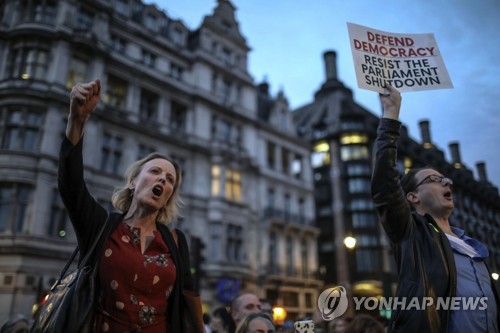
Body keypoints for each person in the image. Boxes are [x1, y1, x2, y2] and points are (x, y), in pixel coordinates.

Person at [59, 79, 202, 332]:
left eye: (170, 179)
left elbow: (186, 302)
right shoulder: (101, 226)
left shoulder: (176, 241)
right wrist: (77, 121)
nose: (162, 179)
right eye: (155, 171)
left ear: (168, 195)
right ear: (133, 182)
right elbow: (71, 184)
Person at [371, 85, 499, 333]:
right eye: (433, 180)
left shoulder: (471, 245)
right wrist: (390, 114)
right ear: (413, 197)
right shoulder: (413, 235)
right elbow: (385, 185)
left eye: (445, 179)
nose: (446, 182)